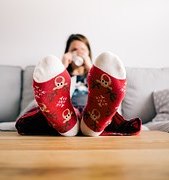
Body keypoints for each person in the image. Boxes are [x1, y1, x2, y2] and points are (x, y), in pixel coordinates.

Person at [15, 34, 141, 136]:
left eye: (82, 50)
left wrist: (90, 67)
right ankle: (72, 124)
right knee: (48, 110)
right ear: (67, 54)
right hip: (62, 110)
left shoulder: (97, 75)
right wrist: (62, 66)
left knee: (105, 111)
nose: (78, 53)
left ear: (89, 54)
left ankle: (86, 123)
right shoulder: (57, 76)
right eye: (73, 50)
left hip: (94, 108)